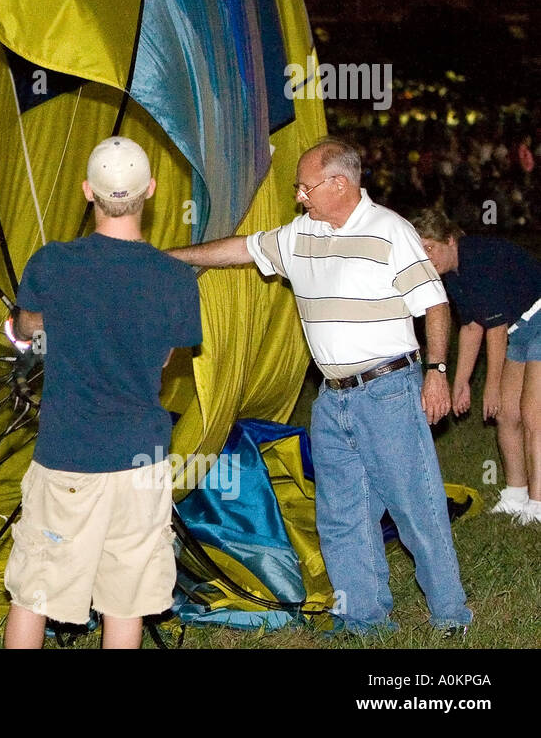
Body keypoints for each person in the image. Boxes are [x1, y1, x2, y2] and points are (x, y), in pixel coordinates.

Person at [167, 138, 472, 635]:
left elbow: (434, 304)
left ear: (340, 183)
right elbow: (240, 250)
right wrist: (169, 258)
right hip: (331, 399)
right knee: (340, 514)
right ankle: (363, 617)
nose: (299, 196)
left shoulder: (391, 231)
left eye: (305, 187)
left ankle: (451, 615)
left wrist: (437, 373)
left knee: (415, 506)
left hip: (388, 390)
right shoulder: (299, 235)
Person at [2, 137, 201, 649]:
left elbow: (26, 327)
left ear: (87, 191)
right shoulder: (176, 277)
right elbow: (162, 358)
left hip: (68, 454)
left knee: (34, 591)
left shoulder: (51, 264)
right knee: (126, 596)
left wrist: (32, 323)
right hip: (142, 458)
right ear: (150, 191)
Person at [408, 208, 541, 523]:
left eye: (430, 248)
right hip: (518, 327)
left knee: (533, 415)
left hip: (538, 315)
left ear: (450, 240)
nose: (426, 258)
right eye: (420, 251)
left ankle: (538, 503)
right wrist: (460, 383)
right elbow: (470, 327)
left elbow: (495, 327)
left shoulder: (477, 259)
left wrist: (491, 385)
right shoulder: (450, 275)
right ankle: (515, 494)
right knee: (508, 414)